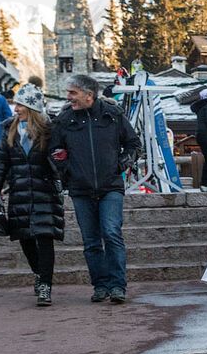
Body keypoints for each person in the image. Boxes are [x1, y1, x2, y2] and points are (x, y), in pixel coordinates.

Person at [50, 74, 141, 304]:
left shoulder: (113, 114)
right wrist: (66, 169)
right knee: (91, 241)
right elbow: (54, 151)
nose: (68, 97)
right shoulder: (65, 119)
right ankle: (100, 286)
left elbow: (133, 143)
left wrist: (123, 163)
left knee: (111, 233)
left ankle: (118, 286)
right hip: (80, 189)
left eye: (73, 92)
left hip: (110, 186)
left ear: (88, 95)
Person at [0, 84, 64, 306]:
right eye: (16, 103)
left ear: (31, 107)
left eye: (20, 104)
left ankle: (45, 287)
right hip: (19, 190)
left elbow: (60, 158)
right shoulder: (9, 129)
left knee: (45, 238)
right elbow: (1, 161)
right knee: (25, 237)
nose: (16, 108)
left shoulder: (49, 130)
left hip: (45, 190)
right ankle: (39, 274)